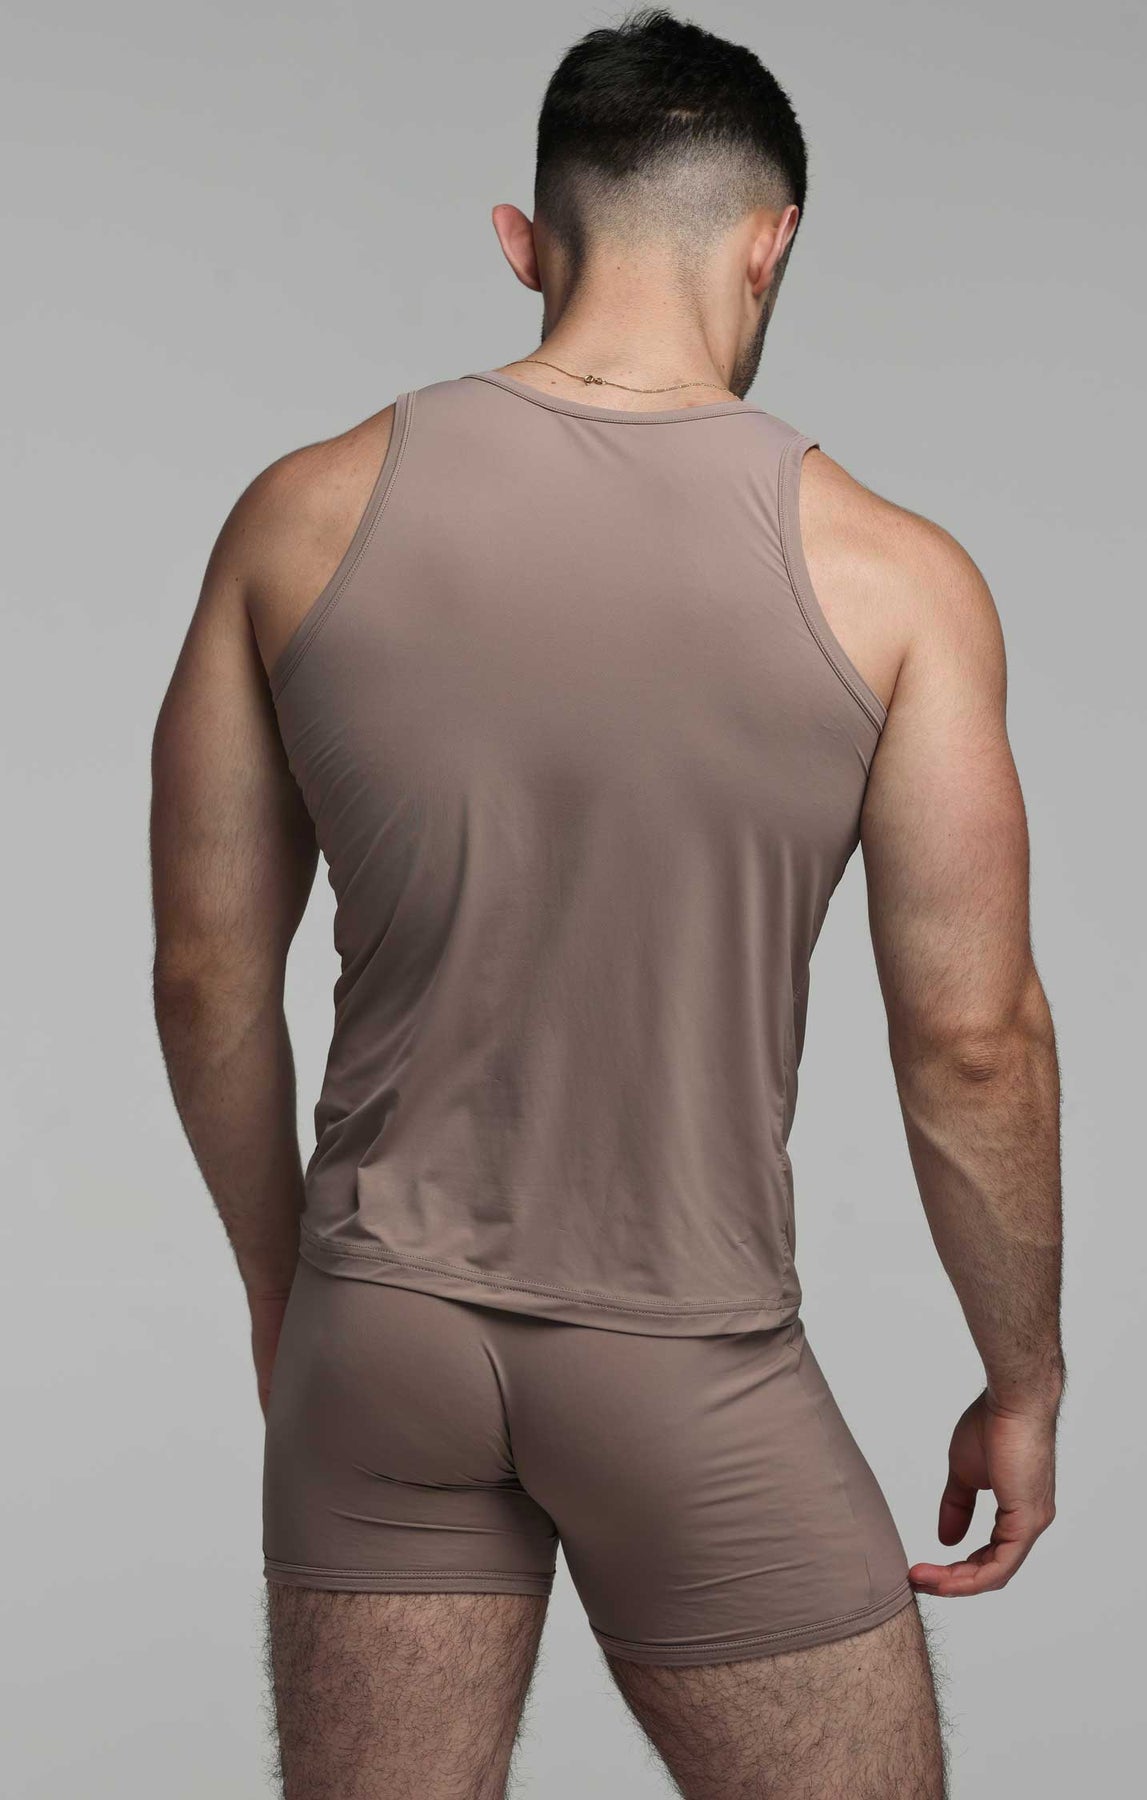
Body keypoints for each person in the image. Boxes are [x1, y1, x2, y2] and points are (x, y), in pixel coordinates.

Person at [150, 9, 1063, 1796]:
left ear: (525, 242)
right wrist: (1020, 1378)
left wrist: (288, 1299)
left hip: (378, 1332)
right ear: (771, 242)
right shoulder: (895, 581)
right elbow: (973, 1040)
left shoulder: (297, 518)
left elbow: (205, 977)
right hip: (685, 1354)